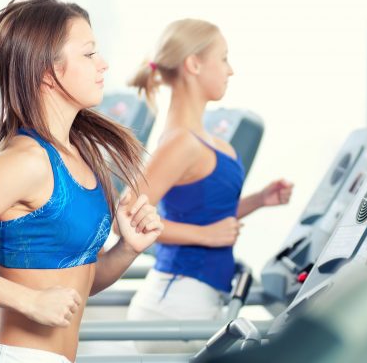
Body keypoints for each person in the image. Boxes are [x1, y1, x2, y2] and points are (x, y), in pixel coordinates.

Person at [0, 0, 163, 363]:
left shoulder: (77, 154)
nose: (103, 64)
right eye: (89, 53)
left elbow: (77, 285)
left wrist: (127, 249)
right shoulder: (25, 161)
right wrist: (26, 299)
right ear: (48, 71)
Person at [125, 18, 294, 352]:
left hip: (195, 298)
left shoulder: (204, 140)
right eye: (224, 58)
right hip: (172, 305)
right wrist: (204, 236)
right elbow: (129, 214)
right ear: (194, 64)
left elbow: (204, 214)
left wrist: (258, 200)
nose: (230, 71)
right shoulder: (180, 142)